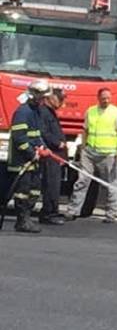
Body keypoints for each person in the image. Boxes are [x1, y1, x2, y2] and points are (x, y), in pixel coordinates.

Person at [69, 87, 117, 224]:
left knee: (111, 184)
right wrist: (83, 148)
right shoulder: (91, 111)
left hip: (109, 154)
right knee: (82, 181)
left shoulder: (116, 112)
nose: (106, 100)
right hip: (90, 153)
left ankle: (111, 214)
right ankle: (73, 211)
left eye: (108, 98)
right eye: (103, 98)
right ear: (98, 98)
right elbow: (85, 131)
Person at [7, 80, 51, 233]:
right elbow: (19, 137)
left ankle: (27, 218)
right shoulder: (23, 112)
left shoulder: (36, 111)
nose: (44, 101)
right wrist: (32, 154)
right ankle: (22, 221)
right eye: (43, 98)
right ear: (34, 96)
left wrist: (44, 148)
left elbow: (37, 135)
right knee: (22, 191)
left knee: (35, 190)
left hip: (34, 160)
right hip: (22, 161)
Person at [37, 88, 69, 225]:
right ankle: (48, 213)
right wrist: (58, 143)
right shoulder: (44, 112)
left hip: (55, 154)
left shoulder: (50, 112)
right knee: (51, 184)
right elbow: (43, 132)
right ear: (52, 98)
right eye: (60, 99)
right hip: (51, 154)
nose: (62, 103)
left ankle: (52, 211)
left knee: (54, 183)